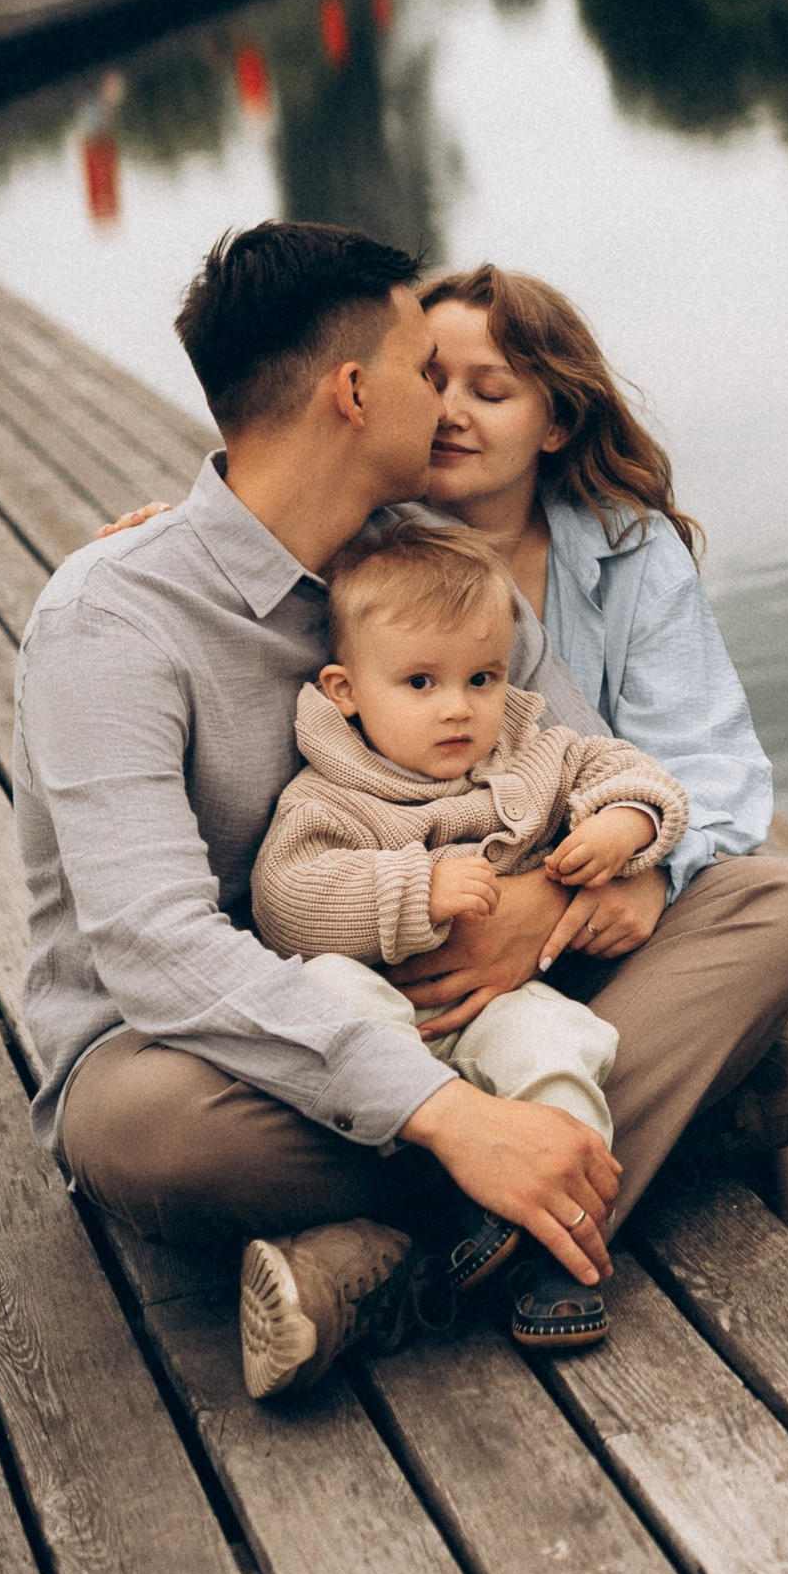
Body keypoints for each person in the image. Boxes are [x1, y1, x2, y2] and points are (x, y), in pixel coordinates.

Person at [16, 222, 788, 1400]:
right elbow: (154, 949)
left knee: (775, 905)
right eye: (424, 371)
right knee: (146, 1131)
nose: (447, 405)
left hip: (472, 989)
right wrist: (446, 1112)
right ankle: (616, 1141)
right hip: (211, 1049)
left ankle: (400, 1261)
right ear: (354, 393)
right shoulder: (115, 618)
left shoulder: (432, 569)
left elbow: (579, 754)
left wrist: (543, 898)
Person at [415, 262, 788, 1302]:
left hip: (636, 874)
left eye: (488, 389)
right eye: (429, 379)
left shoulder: (627, 545)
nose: (449, 410)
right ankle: (510, 1224)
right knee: (763, 1048)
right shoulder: (373, 550)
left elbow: (712, 764)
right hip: (467, 912)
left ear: (553, 419)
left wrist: (649, 870)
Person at [252, 512, 745, 1361]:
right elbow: (286, 903)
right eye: (420, 684)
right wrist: (417, 885)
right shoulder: (328, 792)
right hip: (388, 1032)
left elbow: (628, 769)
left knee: (555, 1043)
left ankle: (558, 1241)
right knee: (328, 997)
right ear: (345, 691)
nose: (459, 709)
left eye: (481, 678)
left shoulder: (529, 748)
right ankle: (468, 1206)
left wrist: (624, 826)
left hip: (496, 1006)